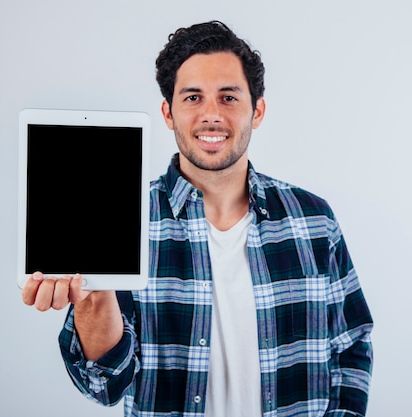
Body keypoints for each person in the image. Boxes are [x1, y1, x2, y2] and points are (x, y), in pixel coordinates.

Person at [22, 20, 373, 417]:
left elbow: (352, 343)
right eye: (192, 97)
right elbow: (104, 385)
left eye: (228, 97)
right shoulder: (123, 221)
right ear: (168, 113)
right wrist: (95, 296)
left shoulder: (314, 221)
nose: (211, 115)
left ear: (256, 110)